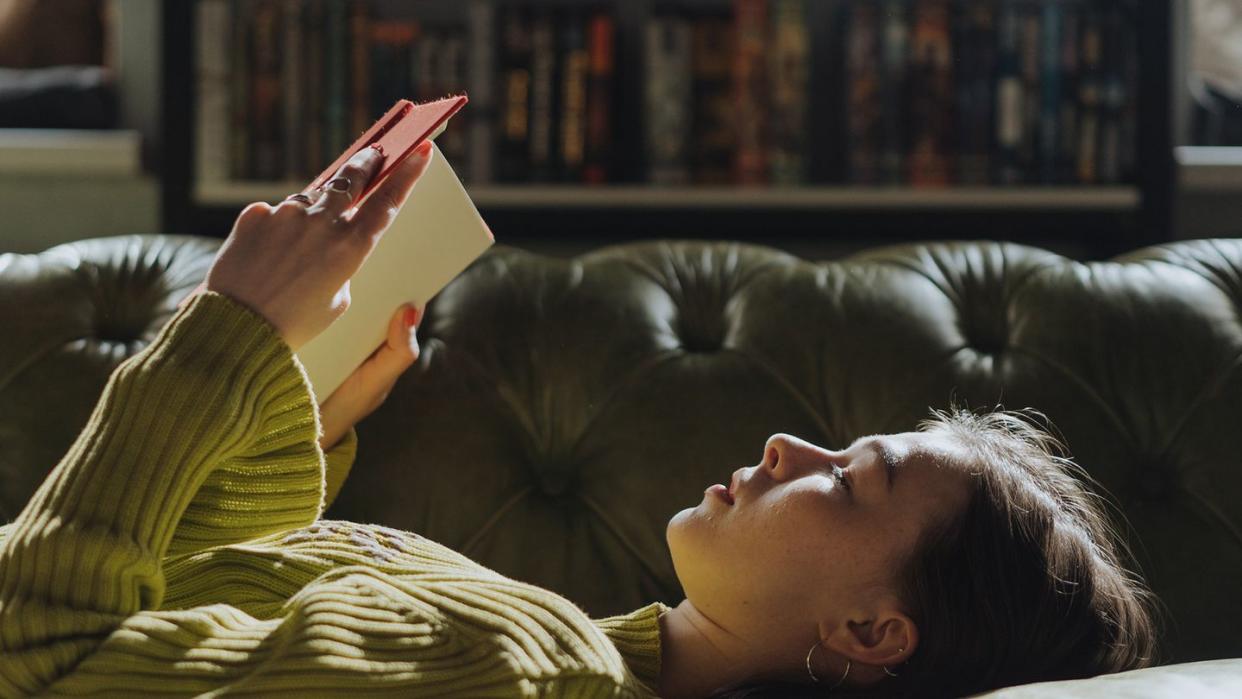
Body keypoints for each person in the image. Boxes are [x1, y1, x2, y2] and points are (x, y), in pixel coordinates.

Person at [0, 142, 1158, 698]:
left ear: (871, 634)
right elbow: (179, 611)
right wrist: (290, 426)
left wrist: (225, 331)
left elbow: (37, 658)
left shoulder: (522, 671)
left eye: (846, 481)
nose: (783, 445)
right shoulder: (553, 642)